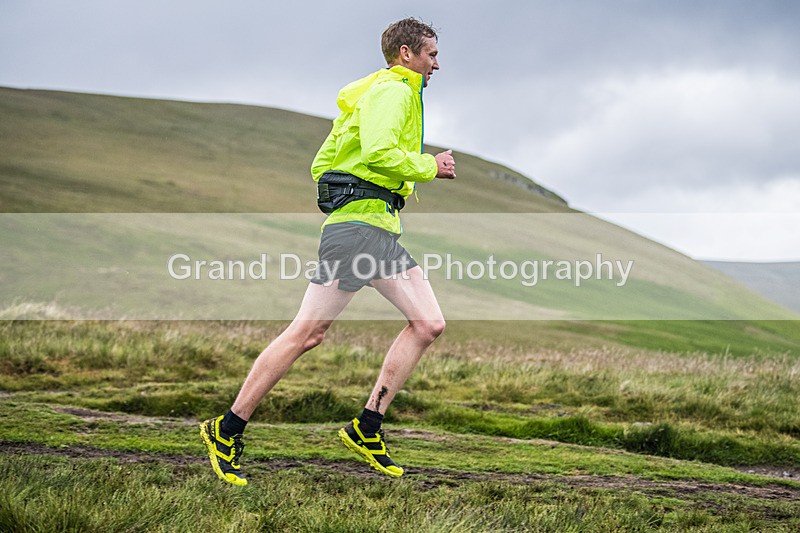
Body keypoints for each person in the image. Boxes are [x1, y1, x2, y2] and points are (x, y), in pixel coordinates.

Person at [200, 17, 456, 486]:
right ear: (406, 54)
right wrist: (428, 166)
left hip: (374, 229)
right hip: (356, 230)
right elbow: (379, 152)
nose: (437, 63)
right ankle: (226, 429)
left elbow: (322, 164)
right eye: (431, 54)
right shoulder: (394, 92)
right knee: (307, 333)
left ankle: (366, 427)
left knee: (428, 324)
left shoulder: (376, 93)